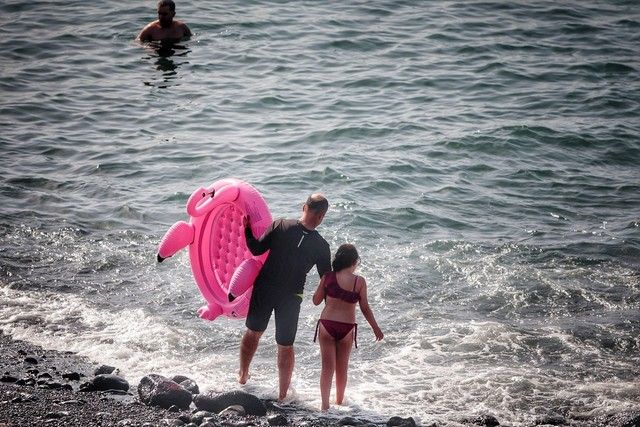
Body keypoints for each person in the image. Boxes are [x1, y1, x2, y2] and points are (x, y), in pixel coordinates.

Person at [239, 193, 332, 401]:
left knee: (253, 332)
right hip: (291, 297)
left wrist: (246, 229)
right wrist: (328, 308)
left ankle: (243, 375)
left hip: (265, 288)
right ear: (322, 216)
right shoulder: (321, 246)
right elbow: (326, 280)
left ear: (303, 207)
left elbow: (256, 248)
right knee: (286, 345)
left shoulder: (280, 225)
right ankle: (282, 395)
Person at [312, 243, 383, 411]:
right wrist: (375, 328)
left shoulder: (328, 277)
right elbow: (365, 308)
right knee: (342, 368)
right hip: (347, 328)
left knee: (326, 368)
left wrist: (324, 287)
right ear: (354, 262)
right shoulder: (359, 282)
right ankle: (339, 402)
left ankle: (324, 406)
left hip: (327, 325)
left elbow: (315, 301)